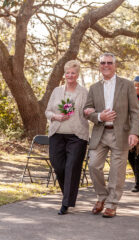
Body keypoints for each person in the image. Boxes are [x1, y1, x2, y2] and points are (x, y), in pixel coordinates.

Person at [84, 53, 139, 218]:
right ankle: (102, 197)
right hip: (100, 133)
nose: (106, 65)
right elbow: (88, 111)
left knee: (117, 171)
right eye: (103, 63)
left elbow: (135, 111)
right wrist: (100, 116)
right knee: (94, 165)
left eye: (109, 63)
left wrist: (134, 132)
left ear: (115, 66)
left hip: (120, 134)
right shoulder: (94, 87)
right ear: (99, 66)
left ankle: (111, 204)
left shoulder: (127, 85)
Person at [45, 60, 89, 215]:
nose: (70, 75)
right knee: (58, 166)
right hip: (56, 134)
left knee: (72, 167)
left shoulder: (84, 92)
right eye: (68, 72)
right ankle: (68, 196)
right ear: (65, 74)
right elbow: (48, 111)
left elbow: (88, 110)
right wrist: (56, 116)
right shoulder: (57, 91)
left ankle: (66, 203)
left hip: (77, 136)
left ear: (77, 75)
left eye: (73, 73)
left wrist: (91, 113)